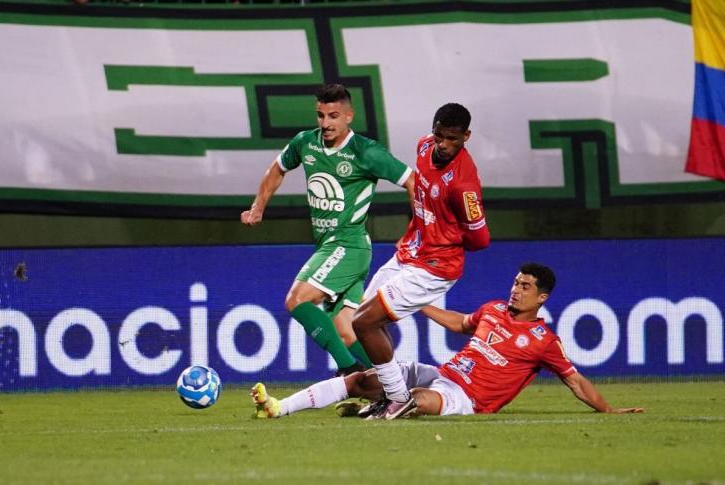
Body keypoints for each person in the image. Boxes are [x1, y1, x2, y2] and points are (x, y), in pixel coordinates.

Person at [251, 263, 643, 419]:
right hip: (444, 374)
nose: (516, 289)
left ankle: (377, 411)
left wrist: (608, 410)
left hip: (469, 400)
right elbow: (460, 324)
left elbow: (574, 379)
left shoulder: (543, 340)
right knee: (363, 378)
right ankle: (279, 407)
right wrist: (419, 304)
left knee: (417, 402)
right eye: (516, 282)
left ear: (542, 298)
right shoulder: (493, 310)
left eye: (526, 287)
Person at [241, 83, 414, 375]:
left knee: (297, 300)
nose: (325, 123)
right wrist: (258, 206)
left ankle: (347, 370)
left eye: (333, 116)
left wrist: (414, 231)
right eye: (321, 115)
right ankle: (395, 387)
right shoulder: (305, 143)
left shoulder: (366, 152)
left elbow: (412, 181)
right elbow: (277, 168)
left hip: (348, 243)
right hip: (330, 245)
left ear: (349, 116)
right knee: (345, 331)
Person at [350, 102, 491, 418]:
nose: (442, 144)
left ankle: (398, 397)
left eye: (452, 139)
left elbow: (480, 239)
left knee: (363, 321)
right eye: (439, 135)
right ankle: (392, 394)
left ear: (466, 136)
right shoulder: (423, 146)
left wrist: (444, 237)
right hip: (410, 252)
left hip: (435, 267)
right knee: (364, 321)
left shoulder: (464, 185)